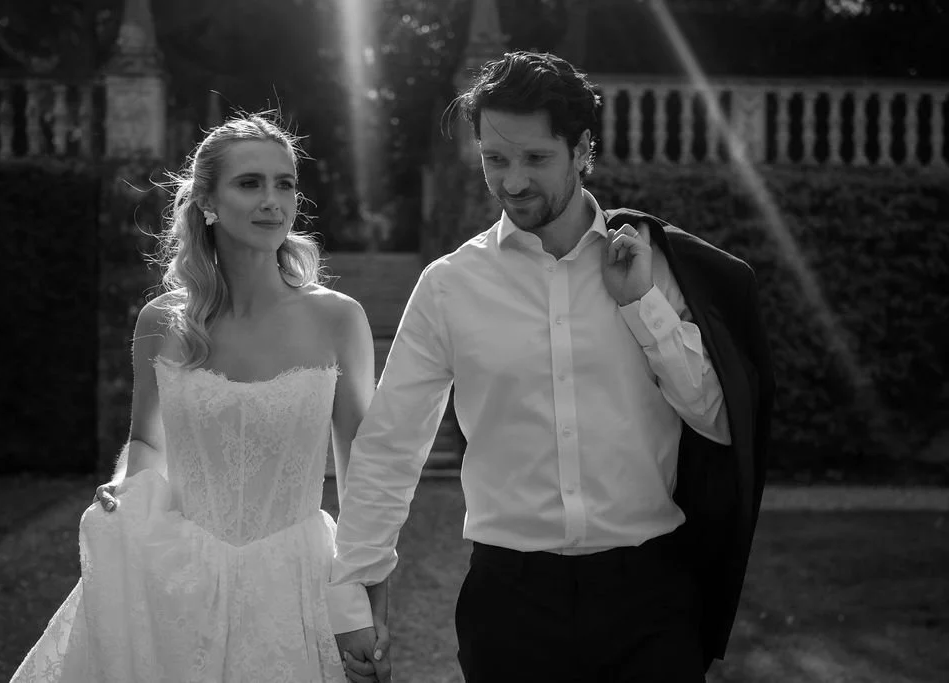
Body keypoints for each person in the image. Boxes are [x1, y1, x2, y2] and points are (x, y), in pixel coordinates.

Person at [329, 51, 774, 683]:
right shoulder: (449, 285)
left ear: (582, 148)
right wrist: (357, 592)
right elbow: (390, 445)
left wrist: (642, 306)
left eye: (535, 158)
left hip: (651, 598)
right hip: (510, 604)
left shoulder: (657, 266)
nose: (512, 182)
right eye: (495, 160)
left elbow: (721, 421)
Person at [10, 112, 389, 683]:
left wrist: (365, 609)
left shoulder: (338, 319)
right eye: (250, 183)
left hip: (298, 583)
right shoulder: (161, 321)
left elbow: (364, 478)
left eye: (285, 184)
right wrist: (126, 487)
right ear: (207, 202)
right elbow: (146, 440)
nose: (273, 201)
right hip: (177, 578)